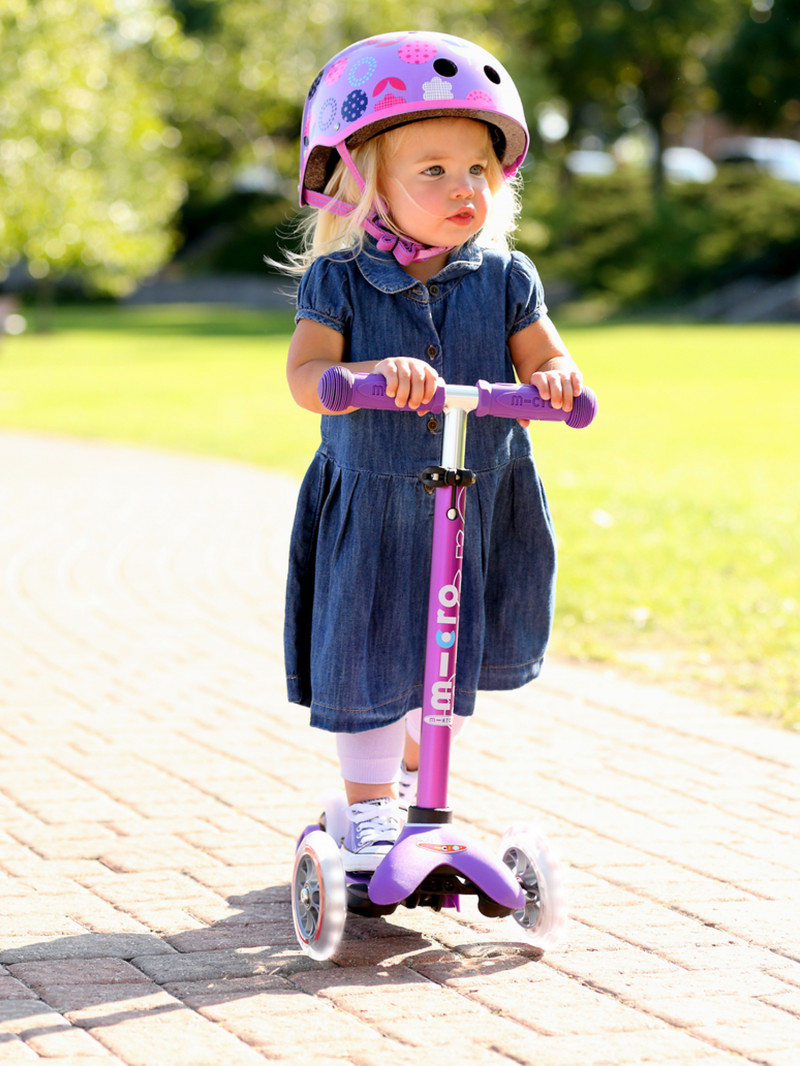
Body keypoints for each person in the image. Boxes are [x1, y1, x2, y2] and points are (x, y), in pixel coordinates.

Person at [282, 31, 582, 875]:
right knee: (370, 656)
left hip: (476, 495)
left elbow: (547, 358)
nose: (463, 189)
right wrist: (364, 376)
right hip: (376, 504)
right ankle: (369, 810)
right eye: (435, 170)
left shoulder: (507, 278)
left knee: (442, 669)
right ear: (366, 185)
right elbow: (306, 376)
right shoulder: (340, 281)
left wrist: (556, 379)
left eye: (478, 169)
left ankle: (423, 793)